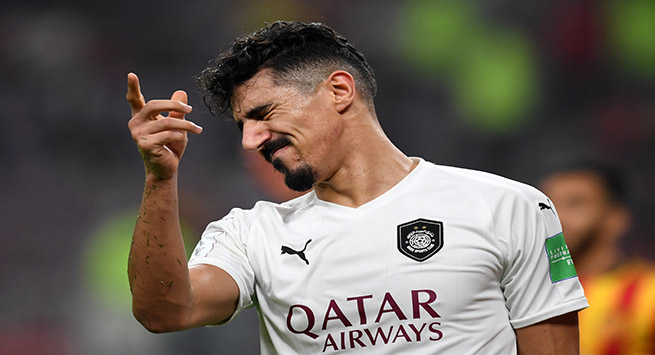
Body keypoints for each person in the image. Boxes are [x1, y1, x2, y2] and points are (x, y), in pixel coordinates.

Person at [126, 21, 588, 354]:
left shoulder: (509, 207)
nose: (250, 141)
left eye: (263, 115)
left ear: (339, 91)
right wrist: (160, 178)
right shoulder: (252, 235)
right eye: (243, 126)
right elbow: (165, 312)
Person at [540, 160, 655, 355]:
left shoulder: (648, 293)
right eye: (546, 207)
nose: (557, 217)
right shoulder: (526, 292)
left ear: (614, 219)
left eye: (575, 204)